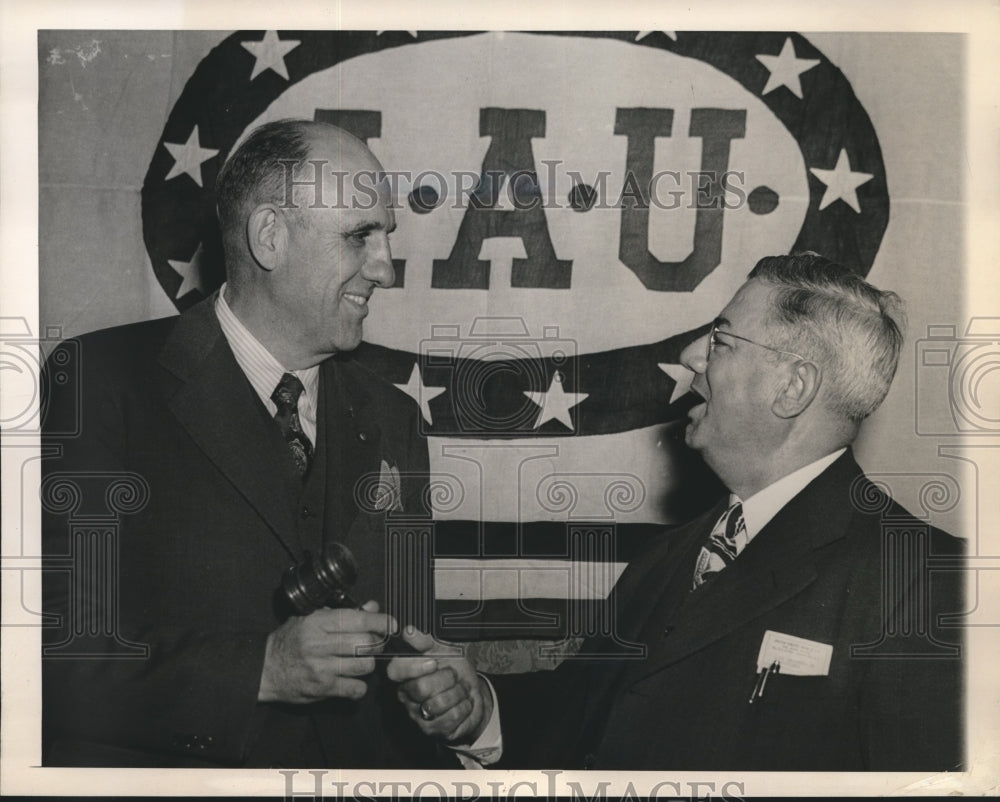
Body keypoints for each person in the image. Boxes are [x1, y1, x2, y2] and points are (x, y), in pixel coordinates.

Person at [388, 252, 965, 770]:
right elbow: (580, 720)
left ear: (793, 387)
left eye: (721, 341)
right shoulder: (669, 555)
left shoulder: (923, 581)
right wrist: (481, 710)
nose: (690, 357)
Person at [41, 119, 438, 767]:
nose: (385, 269)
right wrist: (260, 671)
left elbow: (410, 648)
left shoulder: (396, 420)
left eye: (386, 237)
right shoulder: (99, 382)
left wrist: (447, 700)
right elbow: (49, 650)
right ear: (270, 237)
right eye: (359, 236)